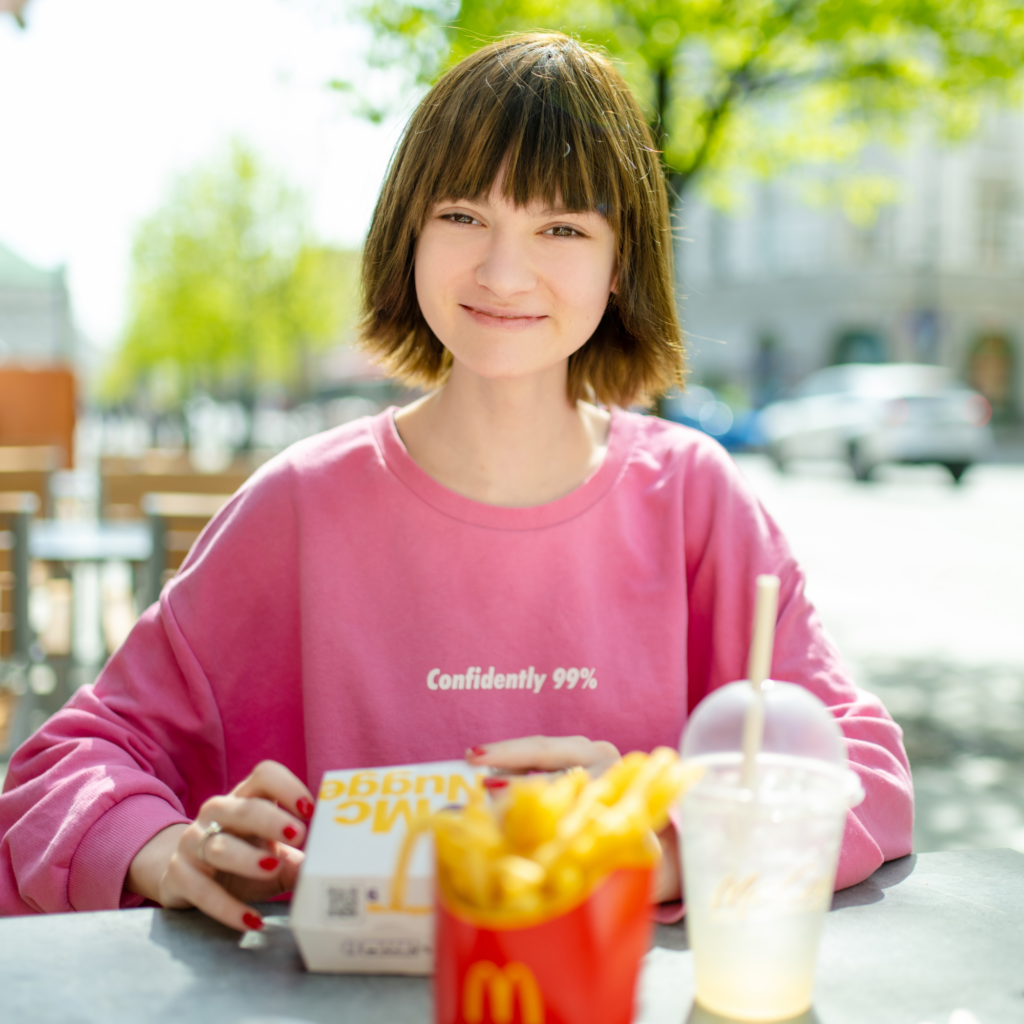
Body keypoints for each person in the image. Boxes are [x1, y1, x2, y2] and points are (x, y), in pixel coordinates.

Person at [0, 34, 912, 930]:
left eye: (561, 227)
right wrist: (170, 853)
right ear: (408, 228)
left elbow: (859, 765)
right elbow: (65, 769)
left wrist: (657, 842)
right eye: (465, 215)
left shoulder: (695, 501)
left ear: (620, 261)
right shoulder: (297, 507)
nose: (504, 271)